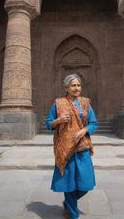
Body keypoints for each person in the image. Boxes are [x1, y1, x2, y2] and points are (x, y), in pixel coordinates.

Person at [45, 74, 98, 219]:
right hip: (65, 149)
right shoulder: (58, 103)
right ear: (66, 88)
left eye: (78, 85)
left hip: (82, 147)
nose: (76, 88)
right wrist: (58, 120)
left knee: (86, 183)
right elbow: (48, 123)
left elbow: (94, 123)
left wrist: (84, 130)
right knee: (68, 182)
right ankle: (73, 214)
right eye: (73, 85)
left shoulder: (86, 104)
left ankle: (69, 203)